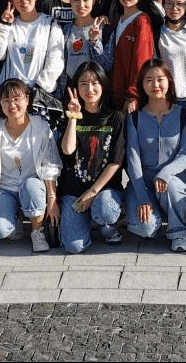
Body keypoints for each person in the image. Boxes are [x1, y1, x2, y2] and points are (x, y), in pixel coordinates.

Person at [0, 78, 62, 253]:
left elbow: (49, 165)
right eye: (6, 100)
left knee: (31, 186)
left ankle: (37, 231)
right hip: (5, 188)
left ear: (27, 99)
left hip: (32, 185)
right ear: (0, 104)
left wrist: (52, 200)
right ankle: (15, 220)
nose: (12, 105)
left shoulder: (40, 127)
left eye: (17, 99)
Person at [125, 60, 186, 251]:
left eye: (160, 79)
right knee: (146, 228)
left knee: (171, 186)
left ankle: (178, 233)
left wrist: (165, 173)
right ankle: (157, 215)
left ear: (169, 82)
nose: (155, 85)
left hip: (172, 180)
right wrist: (142, 197)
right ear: (142, 85)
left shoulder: (184, 115)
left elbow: (185, 155)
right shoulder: (134, 118)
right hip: (143, 182)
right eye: (149, 80)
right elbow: (132, 160)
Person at [57, 63, 126, 253]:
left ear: (103, 84)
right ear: (76, 87)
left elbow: (116, 162)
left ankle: (107, 227)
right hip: (73, 189)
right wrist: (73, 117)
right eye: (83, 84)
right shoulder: (69, 114)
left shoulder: (116, 117)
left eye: (95, 83)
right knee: (73, 247)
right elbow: (68, 150)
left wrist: (92, 192)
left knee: (104, 210)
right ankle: (87, 222)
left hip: (105, 189)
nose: (89, 89)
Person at [0, 0, 65, 129]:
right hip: (10, 97)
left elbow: (56, 60)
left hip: (38, 96)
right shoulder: (9, 25)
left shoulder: (50, 24)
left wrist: (38, 88)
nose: (23, 0)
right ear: (12, 1)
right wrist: (4, 26)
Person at [106, 0, 155, 112]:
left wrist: (133, 95)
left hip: (132, 99)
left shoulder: (142, 21)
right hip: (115, 94)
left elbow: (142, 60)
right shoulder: (116, 21)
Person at [62, 0, 107, 83]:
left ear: (94, 0)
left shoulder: (104, 29)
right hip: (70, 85)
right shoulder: (65, 30)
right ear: (70, 1)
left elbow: (105, 64)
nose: (81, 5)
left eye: (86, 0)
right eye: (76, 0)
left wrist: (94, 41)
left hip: (93, 85)